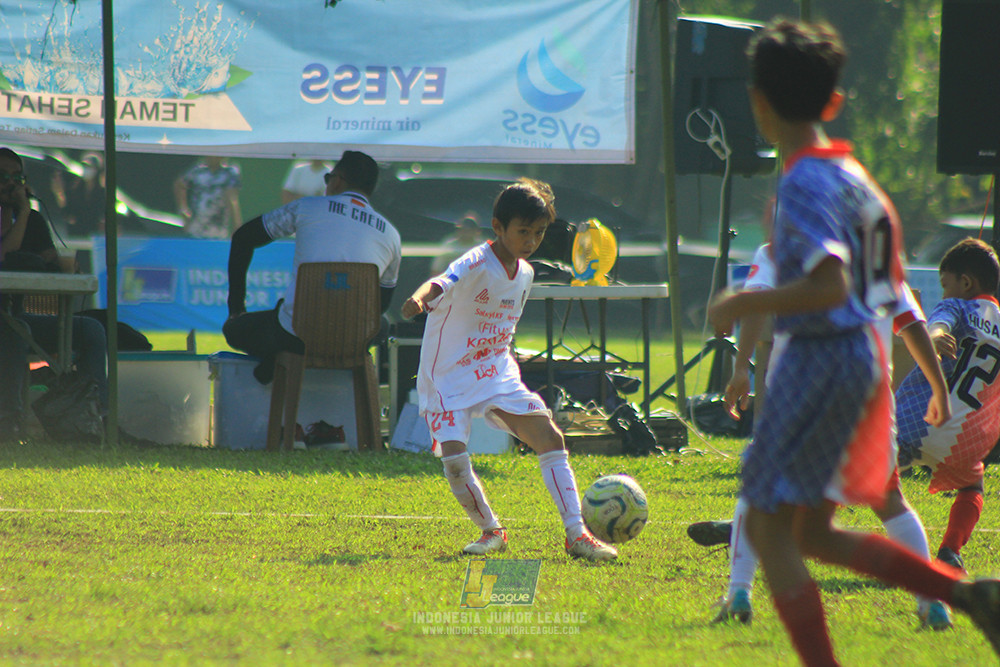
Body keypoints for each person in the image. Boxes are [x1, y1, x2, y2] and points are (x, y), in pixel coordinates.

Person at [707, 19, 1000, 663]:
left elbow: (830, 284)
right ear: (835, 102)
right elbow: (897, 298)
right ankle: (966, 594)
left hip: (817, 363)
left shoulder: (801, 183)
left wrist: (741, 301)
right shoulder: (861, 184)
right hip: (867, 368)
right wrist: (934, 385)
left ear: (757, 102)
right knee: (813, 532)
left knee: (766, 523)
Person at [692, 243, 954, 630]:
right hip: (865, 396)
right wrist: (938, 387)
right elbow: (910, 323)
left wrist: (741, 367)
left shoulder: (781, 249)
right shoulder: (875, 253)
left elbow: (756, 306)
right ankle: (931, 601)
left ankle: (739, 592)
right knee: (889, 500)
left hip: (799, 389)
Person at [400, 177, 617, 563]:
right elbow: (441, 281)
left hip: (495, 371)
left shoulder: (526, 273)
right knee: (454, 463)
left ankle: (577, 535)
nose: (531, 241)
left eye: (539, 232)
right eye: (523, 231)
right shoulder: (476, 261)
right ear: (498, 227)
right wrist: (418, 300)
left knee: (550, 438)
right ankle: (491, 530)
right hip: (448, 376)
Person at [224, 150, 401, 385]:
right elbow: (381, 305)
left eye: (328, 178)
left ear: (337, 181)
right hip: (352, 341)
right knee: (383, 324)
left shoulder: (307, 207)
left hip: (294, 336)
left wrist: (236, 307)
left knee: (234, 329)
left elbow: (243, 238)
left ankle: (277, 356)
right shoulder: (391, 234)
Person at [895, 237, 1000, 572]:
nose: (943, 294)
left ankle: (804, 519)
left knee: (865, 468)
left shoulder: (957, 306)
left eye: (945, 284)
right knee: (972, 487)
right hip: (964, 442)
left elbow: (937, 323)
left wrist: (936, 336)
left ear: (965, 283)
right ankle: (951, 550)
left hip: (917, 422)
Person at [0, 147, 108, 438]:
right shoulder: (25, 216)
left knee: (91, 330)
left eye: (17, 178)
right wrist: (23, 213)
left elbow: (49, 260)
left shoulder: (32, 220)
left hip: (16, 315)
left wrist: (65, 266)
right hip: (10, 323)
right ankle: (10, 423)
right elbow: (4, 255)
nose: (11, 184)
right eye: (3, 177)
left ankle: (94, 417)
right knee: (15, 331)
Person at [173, 156, 242, 239]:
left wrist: (236, 225)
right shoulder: (197, 170)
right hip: (196, 226)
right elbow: (180, 184)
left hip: (218, 227)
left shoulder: (229, 173)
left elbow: (232, 198)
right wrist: (183, 209)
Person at [51, 152, 106, 237]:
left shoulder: (102, 193)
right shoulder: (75, 189)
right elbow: (67, 211)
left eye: (90, 167)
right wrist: (59, 194)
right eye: (85, 166)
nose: (86, 170)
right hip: (76, 235)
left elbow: (102, 215)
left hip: (94, 236)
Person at [429, 212, 484, 276]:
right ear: (459, 229)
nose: (467, 230)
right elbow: (436, 270)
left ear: (477, 230)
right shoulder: (448, 246)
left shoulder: (483, 248)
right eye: (465, 227)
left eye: (471, 228)